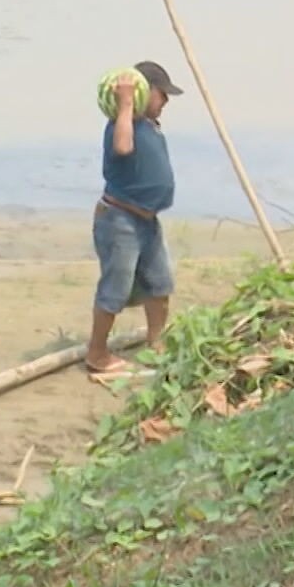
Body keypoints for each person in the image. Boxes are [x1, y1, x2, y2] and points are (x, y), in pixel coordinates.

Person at [85, 61, 184, 381]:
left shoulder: (150, 125)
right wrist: (126, 103)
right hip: (120, 221)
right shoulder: (120, 124)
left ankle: (156, 342)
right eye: (161, 94)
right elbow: (124, 147)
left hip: (147, 221)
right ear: (143, 93)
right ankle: (97, 353)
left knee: (160, 283)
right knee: (115, 287)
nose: (166, 102)